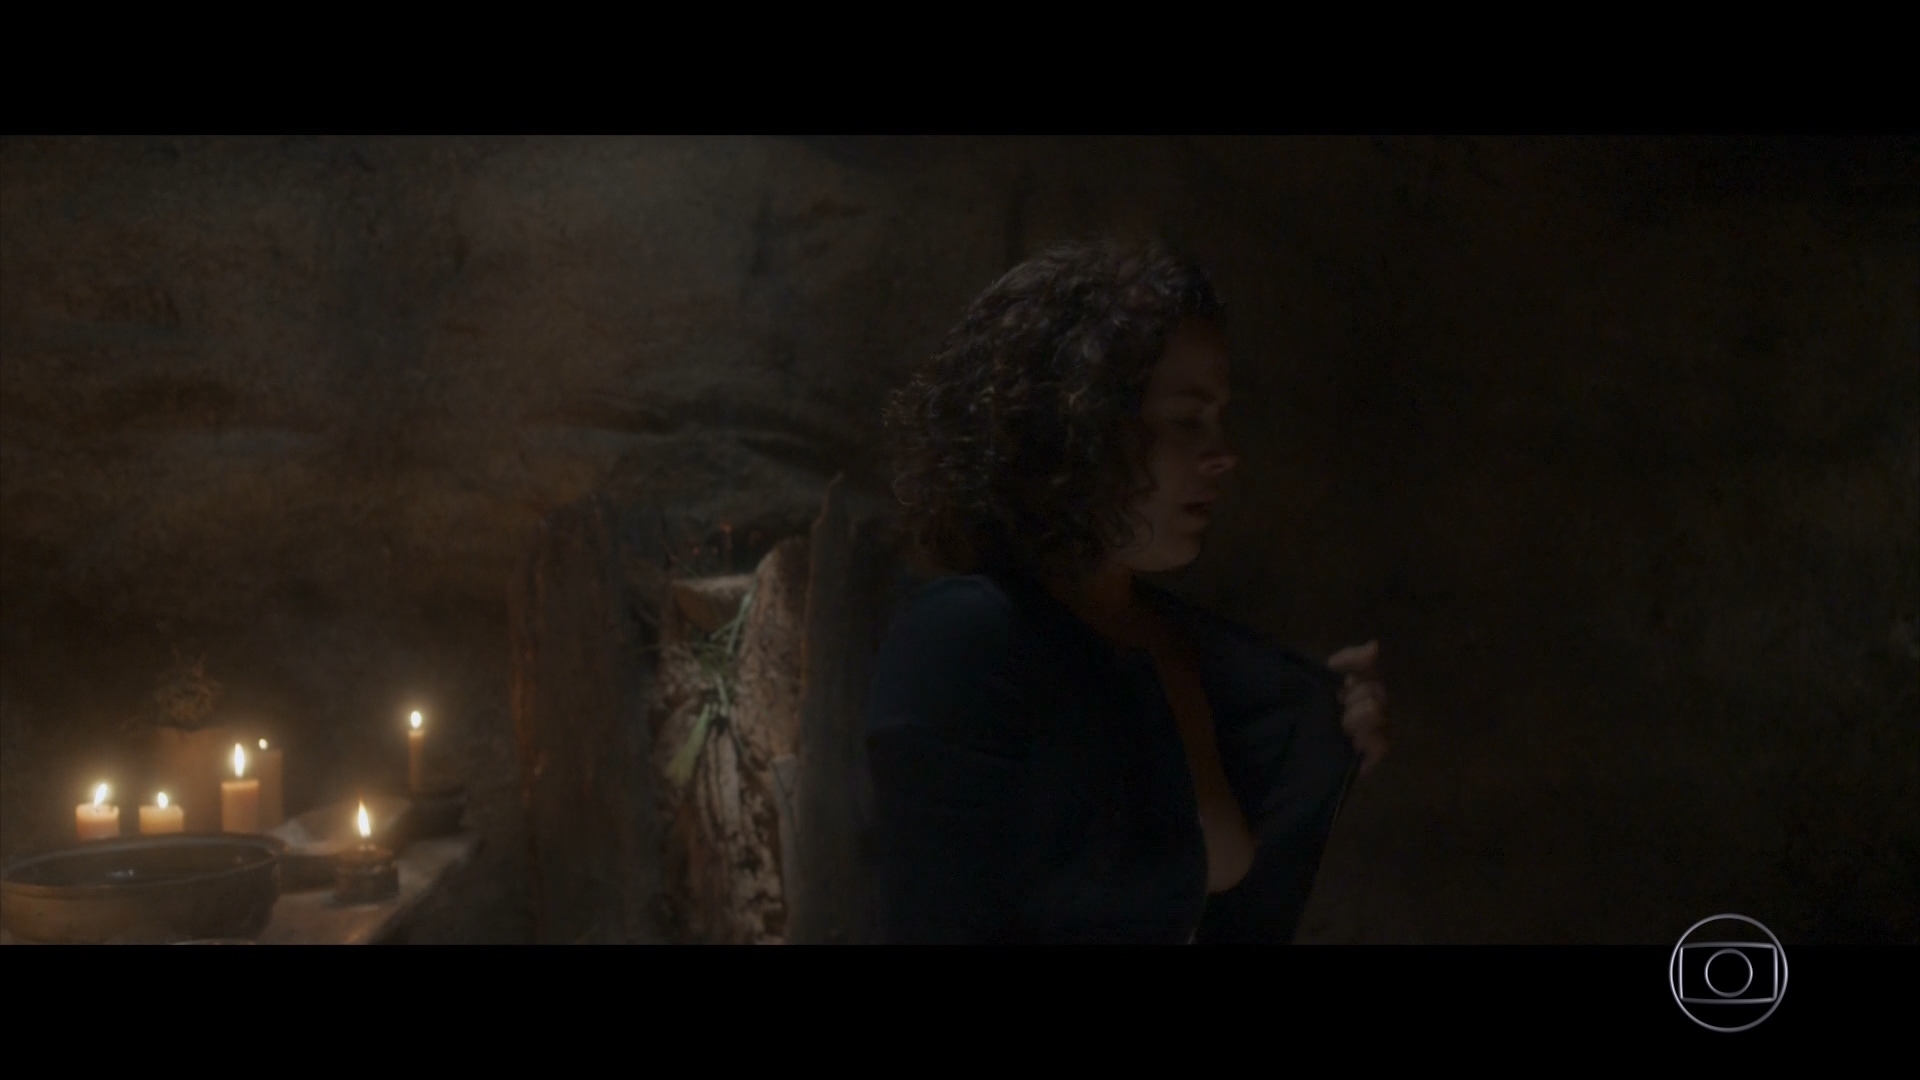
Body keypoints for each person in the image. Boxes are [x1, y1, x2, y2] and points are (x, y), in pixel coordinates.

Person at [866, 239, 1390, 943]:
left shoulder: (1206, 660)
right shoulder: (966, 644)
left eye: (1219, 417)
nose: (1223, 453)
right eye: (1186, 419)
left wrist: (1325, 741)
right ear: (1077, 424)